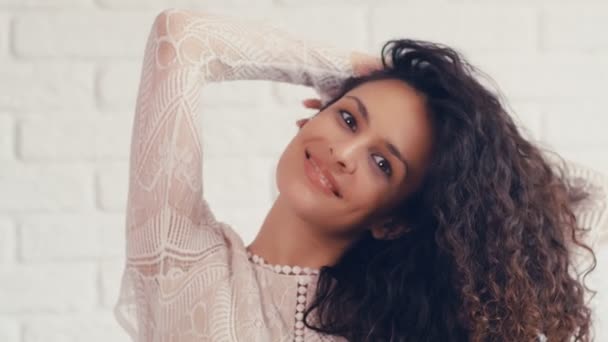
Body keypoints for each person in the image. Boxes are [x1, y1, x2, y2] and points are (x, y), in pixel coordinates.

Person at [113, 8, 608, 342]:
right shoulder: (177, 256)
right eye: (348, 118)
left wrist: (483, 165)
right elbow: (181, 39)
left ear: (394, 221)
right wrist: (355, 72)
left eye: (382, 163)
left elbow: (598, 199)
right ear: (312, 116)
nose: (344, 152)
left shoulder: (389, 325)